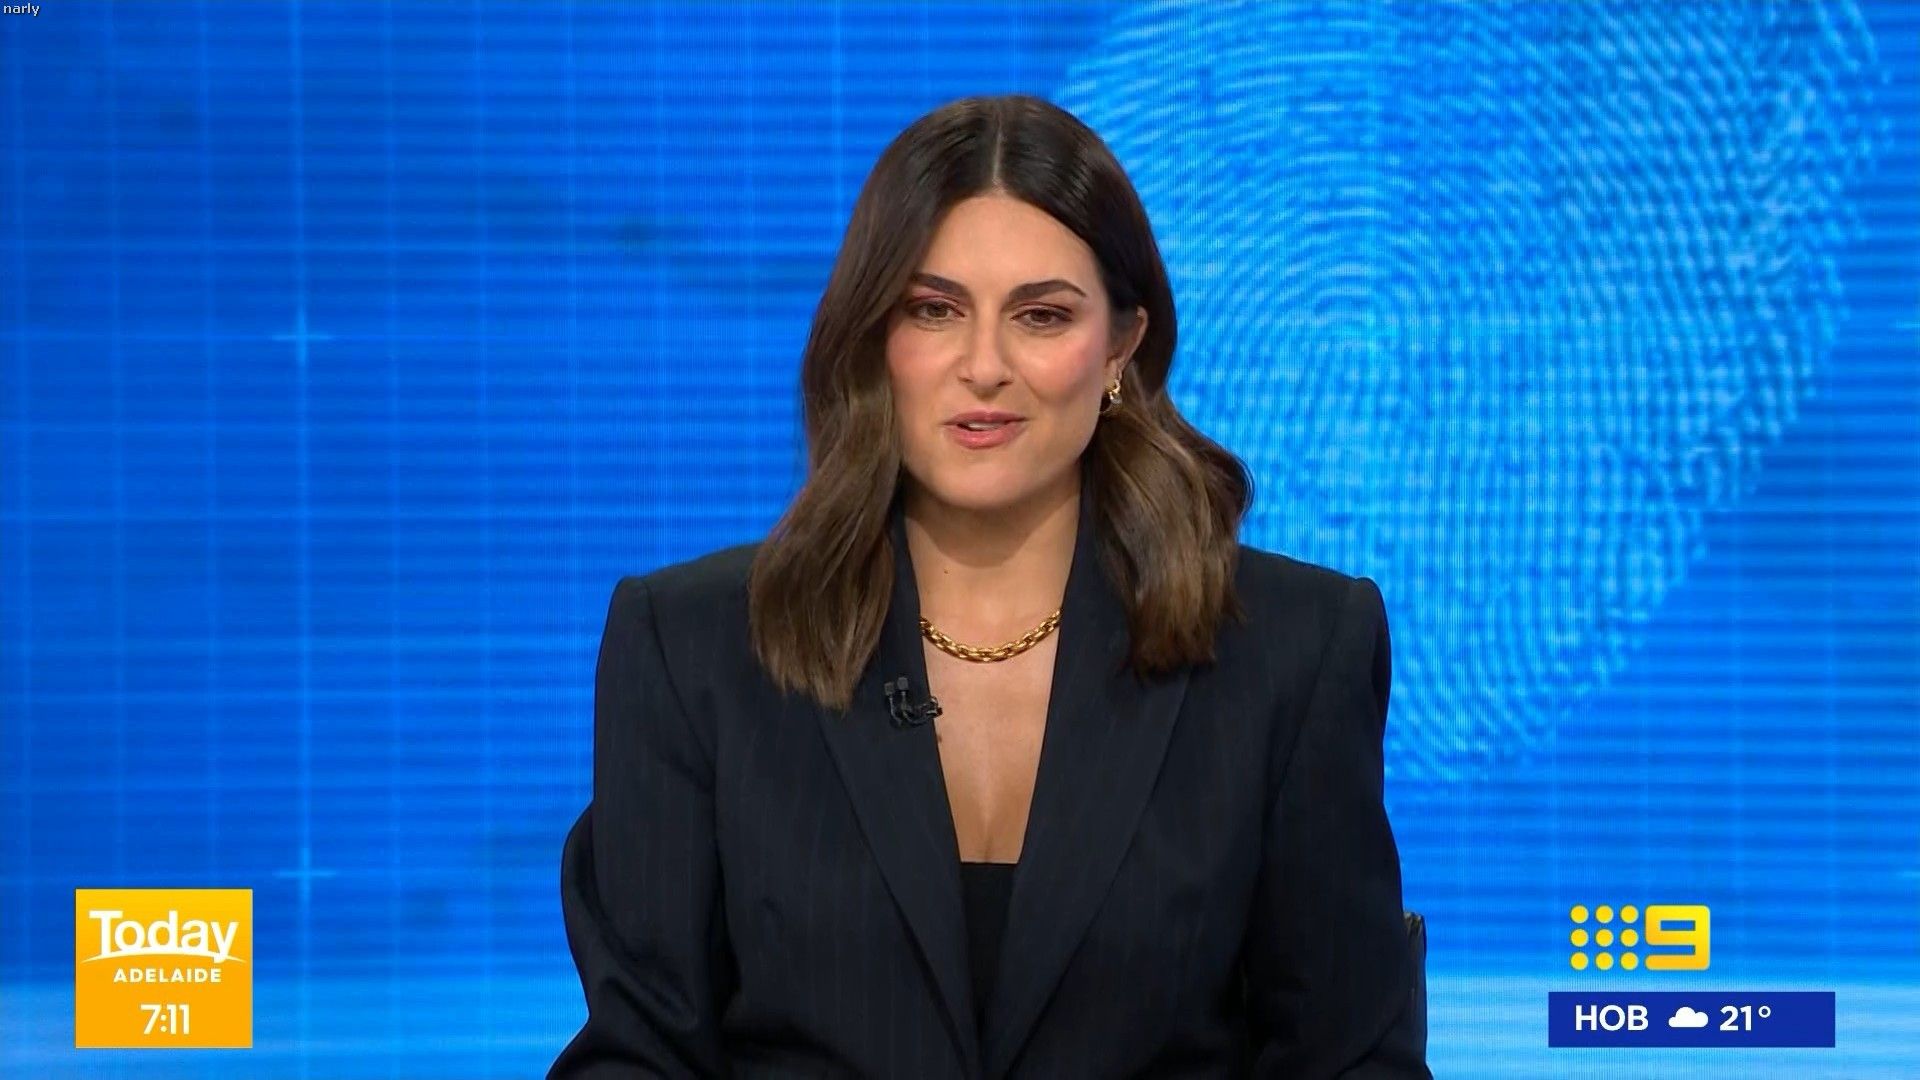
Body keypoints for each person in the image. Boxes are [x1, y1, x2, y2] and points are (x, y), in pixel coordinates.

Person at [549, 93, 1427, 1079]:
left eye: (1041, 316)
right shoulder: (693, 647)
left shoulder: (1293, 649)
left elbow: (1350, 1060)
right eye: (934, 310)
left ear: (1121, 345)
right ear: (874, 335)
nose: (983, 367)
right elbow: (640, 1055)